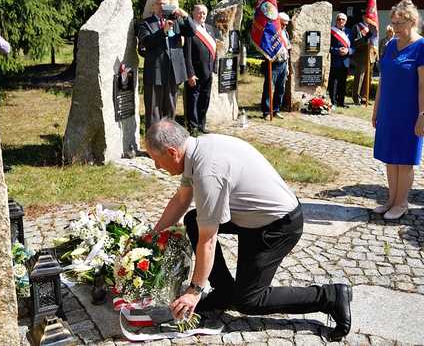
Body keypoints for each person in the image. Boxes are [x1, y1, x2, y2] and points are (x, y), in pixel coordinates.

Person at [146, 119, 353, 341]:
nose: (157, 167)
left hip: (278, 226)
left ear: (172, 152)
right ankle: (224, 293)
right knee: (194, 220)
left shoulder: (208, 172)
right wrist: (153, 236)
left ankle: (330, 296)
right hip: (255, 217)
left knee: (250, 301)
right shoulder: (196, 149)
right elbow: (181, 199)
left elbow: (208, 240)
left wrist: (194, 291)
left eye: (156, 160)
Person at [372, 0, 424, 220]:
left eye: (398, 23)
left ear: (411, 22)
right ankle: (391, 200)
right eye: (393, 23)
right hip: (389, 110)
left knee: (405, 159)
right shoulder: (390, 45)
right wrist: (376, 109)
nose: (394, 28)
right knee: (390, 157)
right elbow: (383, 81)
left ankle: (402, 202)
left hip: (409, 113)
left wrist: (423, 115)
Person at [136, 0, 196, 130]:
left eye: (165, 3)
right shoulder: (145, 24)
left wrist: (185, 15)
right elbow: (146, 42)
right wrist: (163, 31)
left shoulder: (176, 20)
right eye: (160, 4)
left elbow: (192, 32)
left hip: (173, 72)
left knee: (170, 109)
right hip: (155, 72)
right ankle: (153, 144)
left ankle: (168, 140)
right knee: (153, 110)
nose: (163, 6)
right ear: (153, 6)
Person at [183, 4, 217, 135]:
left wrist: (214, 68)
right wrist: (190, 74)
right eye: (199, 13)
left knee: (205, 98)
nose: (202, 15)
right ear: (193, 13)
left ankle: (202, 125)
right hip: (195, 73)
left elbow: (215, 50)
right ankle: (193, 127)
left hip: (208, 72)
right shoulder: (190, 30)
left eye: (204, 13)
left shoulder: (210, 29)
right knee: (193, 100)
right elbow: (187, 54)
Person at [261, 12, 291, 119]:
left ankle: (276, 109)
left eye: (286, 24)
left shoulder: (285, 33)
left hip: (283, 63)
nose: (284, 26)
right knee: (269, 88)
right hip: (273, 64)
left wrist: (287, 66)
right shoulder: (271, 32)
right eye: (283, 24)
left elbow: (287, 49)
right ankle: (266, 111)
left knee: (280, 88)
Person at [329, 13, 354, 107]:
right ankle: (333, 102)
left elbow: (353, 48)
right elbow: (327, 46)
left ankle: (341, 102)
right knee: (334, 83)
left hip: (345, 61)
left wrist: (348, 51)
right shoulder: (331, 31)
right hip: (335, 60)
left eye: (343, 19)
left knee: (343, 83)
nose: (341, 21)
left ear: (346, 21)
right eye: (339, 19)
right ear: (336, 20)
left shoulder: (349, 32)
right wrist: (337, 50)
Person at [351, 14, 377, 105]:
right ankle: (356, 98)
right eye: (367, 16)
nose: (369, 18)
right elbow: (355, 43)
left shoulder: (373, 27)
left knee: (368, 78)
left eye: (370, 16)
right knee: (360, 77)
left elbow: (375, 41)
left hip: (371, 55)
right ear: (363, 17)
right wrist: (365, 38)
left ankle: (364, 98)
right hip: (361, 55)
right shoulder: (357, 27)